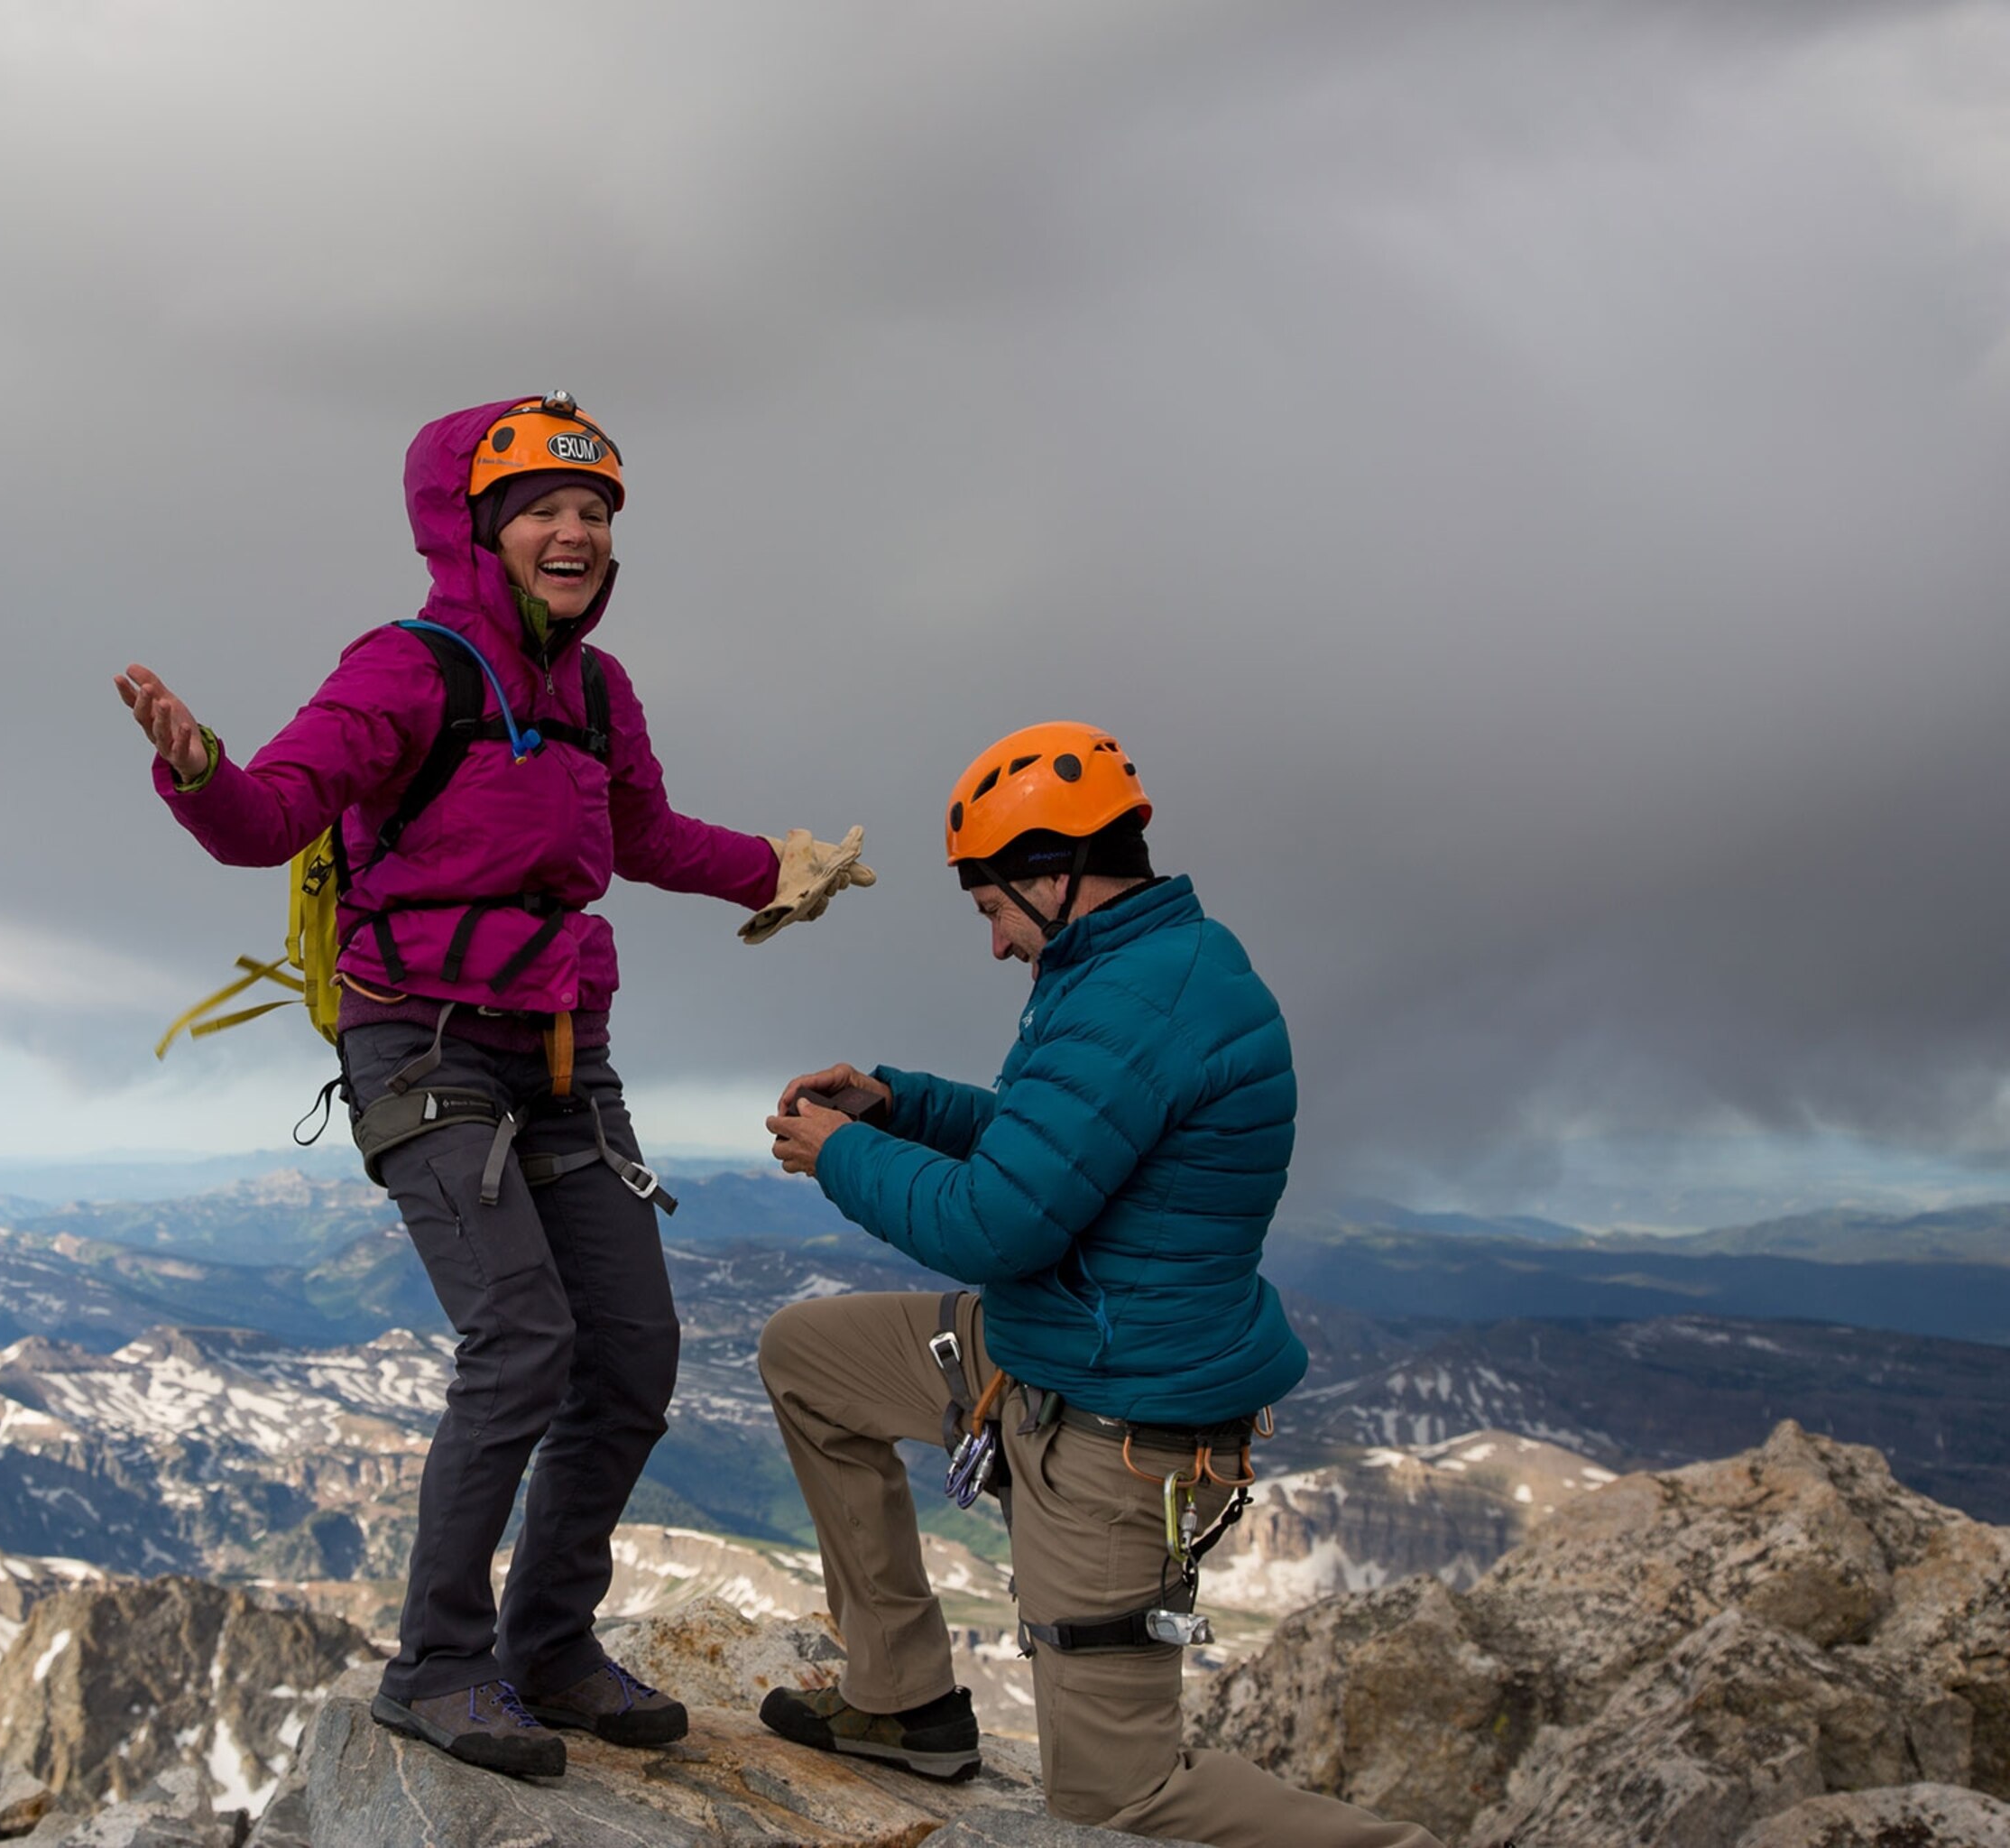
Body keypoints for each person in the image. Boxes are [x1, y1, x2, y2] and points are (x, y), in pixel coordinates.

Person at [114, 395, 872, 1779]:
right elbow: (275, 814)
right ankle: (439, 1666)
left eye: (593, 512)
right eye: (544, 510)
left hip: (565, 1051)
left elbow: (639, 834)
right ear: (475, 528)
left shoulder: (596, 690)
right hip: (426, 1046)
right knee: (523, 1340)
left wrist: (780, 869)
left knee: (631, 1353)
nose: (575, 532)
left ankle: (550, 1646)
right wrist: (202, 773)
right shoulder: (405, 668)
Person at [752, 724, 1443, 1846]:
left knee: (1117, 1803)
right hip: (1051, 1344)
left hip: (1122, 1424)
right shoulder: (1129, 967)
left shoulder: (1139, 998)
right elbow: (1054, 1142)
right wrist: (902, 1102)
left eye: (991, 910)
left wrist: (838, 1153)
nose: (994, 944)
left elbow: (998, 1220)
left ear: (1051, 872)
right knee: (806, 1359)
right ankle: (900, 1697)